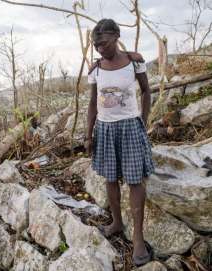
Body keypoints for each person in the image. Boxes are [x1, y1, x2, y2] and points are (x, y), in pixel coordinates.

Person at [86, 19, 155, 266]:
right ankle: (116, 222)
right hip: (105, 129)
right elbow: (93, 103)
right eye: (95, 46)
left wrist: (143, 122)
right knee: (110, 178)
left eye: (103, 43)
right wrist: (88, 134)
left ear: (116, 36)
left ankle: (137, 237)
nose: (99, 49)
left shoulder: (135, 62)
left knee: (135, 180)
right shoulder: (95, 69)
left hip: (130, 127)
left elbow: (147, 91)